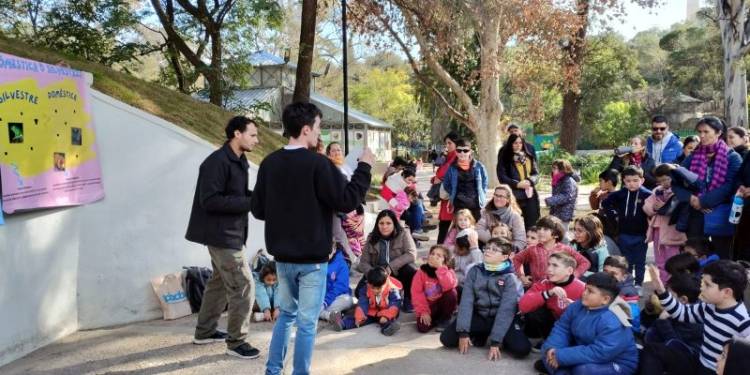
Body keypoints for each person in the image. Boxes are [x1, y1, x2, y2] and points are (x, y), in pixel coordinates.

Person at [250, 102, 373, 375]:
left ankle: (273, 370)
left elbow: (258, 209)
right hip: (313, 261)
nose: (320, 135)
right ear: (306, 129)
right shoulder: (319, 164)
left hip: (282, 258)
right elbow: (347, 200)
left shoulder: (269, 163)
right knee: (306, 323)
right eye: (318, 128)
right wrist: (364, 167)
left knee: (287, 317)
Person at [185, 116, 260, 359]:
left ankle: (204, 332)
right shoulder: (216, 162)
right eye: (252, 135)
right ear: (237, 134)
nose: (257, 140)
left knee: (218, 283)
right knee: (244, 285)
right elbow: (210, 200)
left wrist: (258, 197)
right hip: (221, 236)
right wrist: (249, 202)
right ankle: (237, 342)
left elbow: (237, 194)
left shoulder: (239, 160)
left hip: (233, 233)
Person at [649, 260, 750, 374]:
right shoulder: (709, 306)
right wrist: (661, 291)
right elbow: (682, 313)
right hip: (700, 362)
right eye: (703, 282)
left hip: (717, 371)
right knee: (653, 350)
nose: (701, 288)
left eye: (707, 285)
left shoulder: (742, 320)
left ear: (726, 292)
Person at [440, 237, 532, 360]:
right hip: (480, 315)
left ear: (504, 257)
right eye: (487, 248)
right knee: (446, 339)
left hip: (501, 318)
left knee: (522, 349)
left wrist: (495, 341)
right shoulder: (475, 271)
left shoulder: (510, 277)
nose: (488, 251)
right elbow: (467, 302)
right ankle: (481, 333)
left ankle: (494, 335)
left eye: (494, 250)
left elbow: (506, 310)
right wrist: (463, 332)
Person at [538, 272, 638, 375]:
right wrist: (553, 350)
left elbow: (600, 352)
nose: (584, 293)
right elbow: (562, 328)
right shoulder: (578, 305)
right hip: (586, 353)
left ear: (605, 299)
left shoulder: (613, 319)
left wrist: (561, 356)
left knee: (582, 371)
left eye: (590, 291)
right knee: (548, 351)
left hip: (617, 362)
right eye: (585, 288)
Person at [682, 116, 742, 260]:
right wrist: (692, 199)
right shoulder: (694, 155)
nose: (701, 136)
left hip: (720, 212)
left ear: (718, 132)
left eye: (706, 132)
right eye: (700, 132)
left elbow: (730, 185)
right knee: (693, 256)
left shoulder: (733, 157)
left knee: (721, 257)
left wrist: (703, 201)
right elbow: (677, 179)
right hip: (695, 212)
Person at [639, 273, 703, 375]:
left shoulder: (694, 320)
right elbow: (647, 328)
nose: (665, 298)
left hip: (689, 360)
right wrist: (649, 311)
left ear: (683, 300)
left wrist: (663, 321)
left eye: (669, 295)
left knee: (649, 353)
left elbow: (674, 344)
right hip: (663, 350)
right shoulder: (673, 309)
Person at [518, 252, 585, 349]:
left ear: (569, 271)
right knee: (535, 310)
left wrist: (576, 307)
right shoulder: (544, 283)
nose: (549, 269)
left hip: (572, 327)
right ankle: (547, 339)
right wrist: (548, 293)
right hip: (553, 324)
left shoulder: (582, 288)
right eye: (548, 264)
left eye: (555, 266)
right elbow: (523, 306)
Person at [357, 209, 418, 312]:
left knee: (411, 271)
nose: (384, 226)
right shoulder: (372, 237)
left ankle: (408, 298)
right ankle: (380, 299)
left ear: (394, 223)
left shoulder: (403, 233)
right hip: (378, 273)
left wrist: (391, 266)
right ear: (377, 224)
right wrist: (373, 273)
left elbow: (411, 254)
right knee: (358, 292)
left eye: (388, 223)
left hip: (396, 271)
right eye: (381, 223)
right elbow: (363, 262)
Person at [602, 165, 652, 285]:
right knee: (626, 262)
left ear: (642, 180)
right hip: (624, 234)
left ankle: (639, 284)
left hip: (642, 235)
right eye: (628, 181)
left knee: (640, 262)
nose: (631, 184)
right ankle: (627, 283)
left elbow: (655, 211)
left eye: (635, 180)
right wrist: (614, 215)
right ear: (624, 181)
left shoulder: (648, 195)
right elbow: (605, 203)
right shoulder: (620, 194)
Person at [513, 216, 591, 287]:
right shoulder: (532, 249)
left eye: (545, 229)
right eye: (539, 228)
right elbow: (516, 259)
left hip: (559, 289)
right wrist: (522, 277)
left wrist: (571, 277)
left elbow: (585, 263)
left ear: (556, 235)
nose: (541, 231)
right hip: (537, 290)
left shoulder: (565, 249)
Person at [644, 164, 688, 283]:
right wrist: (653, 207)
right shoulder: (657, 191)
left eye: (666, 179)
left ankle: (675, 284)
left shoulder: (679, 191)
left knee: (673, 260)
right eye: (660, 181)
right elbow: (646, 206)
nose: (664, 183)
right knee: (660, 260)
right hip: (658, 229)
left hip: (672, 232)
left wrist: (663, 207)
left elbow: (675, 209)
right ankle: (664, 284)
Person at [331, 267, 402, 336]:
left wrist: (387, 316)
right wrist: (360, 316)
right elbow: (362, 303)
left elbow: (395, 304)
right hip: (371, 311)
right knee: (358, 320)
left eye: (378, 288)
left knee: (386, 321)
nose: (375, 291)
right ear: (369, 284)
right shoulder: (365, 289)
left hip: (385, 312)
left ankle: (388, 328)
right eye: (373, 288)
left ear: (385, 283)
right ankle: (342, 323)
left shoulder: (392, 289)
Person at [326, 141, 366, 259]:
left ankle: (356, 259)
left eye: (339, 150)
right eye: (334, 150)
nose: (337, 152)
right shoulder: (329, 168)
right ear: (328, 154)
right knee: (340, 237)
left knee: (355, 236)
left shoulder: (345, 166)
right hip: (338, 209)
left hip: (352, 209)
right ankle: (346, 262)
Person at [497, 133, 541, 230]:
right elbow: (502, 177)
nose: (518, 145)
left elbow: (536, 174)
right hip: (513, 195)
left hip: (529, 194)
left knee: (532, 225)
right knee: (511, 225)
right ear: (510, 144)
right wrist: (517, 184)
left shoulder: (529, 157)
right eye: (515, 143)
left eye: (520, 143)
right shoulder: (505, 158)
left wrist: (530, 181)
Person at [412, 245, 458, 333]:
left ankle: (445, 319)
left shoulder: (448, 271)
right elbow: (417, 294)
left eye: (439, 256)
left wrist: (440, 268)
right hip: (429, 307)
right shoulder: (421, 272)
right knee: (422, 328)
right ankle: (437, 320)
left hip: (443, 305)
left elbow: (449, 286)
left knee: (451, 292)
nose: (434, 257)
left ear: (445, 260)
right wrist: (423, 312)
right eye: (432, 254)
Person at [440, 139, 489, 222]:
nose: (462, 153)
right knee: (461, 231)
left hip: (476, 204)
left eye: (465, 150)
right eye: (459, 150)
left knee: (477, 230)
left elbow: (484, 182)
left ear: (470, 152)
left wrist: (481, 194)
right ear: (456, 152)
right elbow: (446, 184)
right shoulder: (452, 168)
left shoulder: (479, 166)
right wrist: (453, 193)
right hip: (459, 204)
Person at [476, 185, 527, 251]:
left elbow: (521, 240)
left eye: (501, 196)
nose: (498, 198)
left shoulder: (515, 216)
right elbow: (478, 230)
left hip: (508, 250)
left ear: (508, 199)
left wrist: (505, 248)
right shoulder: (486, 212)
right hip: (489, 247)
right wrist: (495, 240)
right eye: (496, 195)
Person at [433, 132, 460, 244]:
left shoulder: (455, 157)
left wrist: (437, 178)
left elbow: (442, 173)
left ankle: (440, 252)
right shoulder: (448, 156)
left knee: (447, 227)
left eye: (450, 143)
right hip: (447, 197)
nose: (447, 146)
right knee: (445, 227)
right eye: (446, 143)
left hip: (452, 198)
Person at [319, 245, 354, 323]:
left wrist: (325, 302)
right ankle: (330, 316)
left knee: (347, 300)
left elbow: (340, 288)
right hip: (318, 298)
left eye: (329, 250)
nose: (326, 253)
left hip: (335, 298)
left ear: (334, 249)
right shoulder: (315, 262)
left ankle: (319, 313)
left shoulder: (342, 264)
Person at [545, 159, 579, 231]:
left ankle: (570, 242)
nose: (552, 170)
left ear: (562, 169)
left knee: (563, 234)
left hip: (564, 213)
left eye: (554, 168)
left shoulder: (568, 180)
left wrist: (550, 200)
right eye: (552, 168)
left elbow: (566, 196)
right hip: (558, 212)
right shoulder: (558, 180)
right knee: (557, 233)